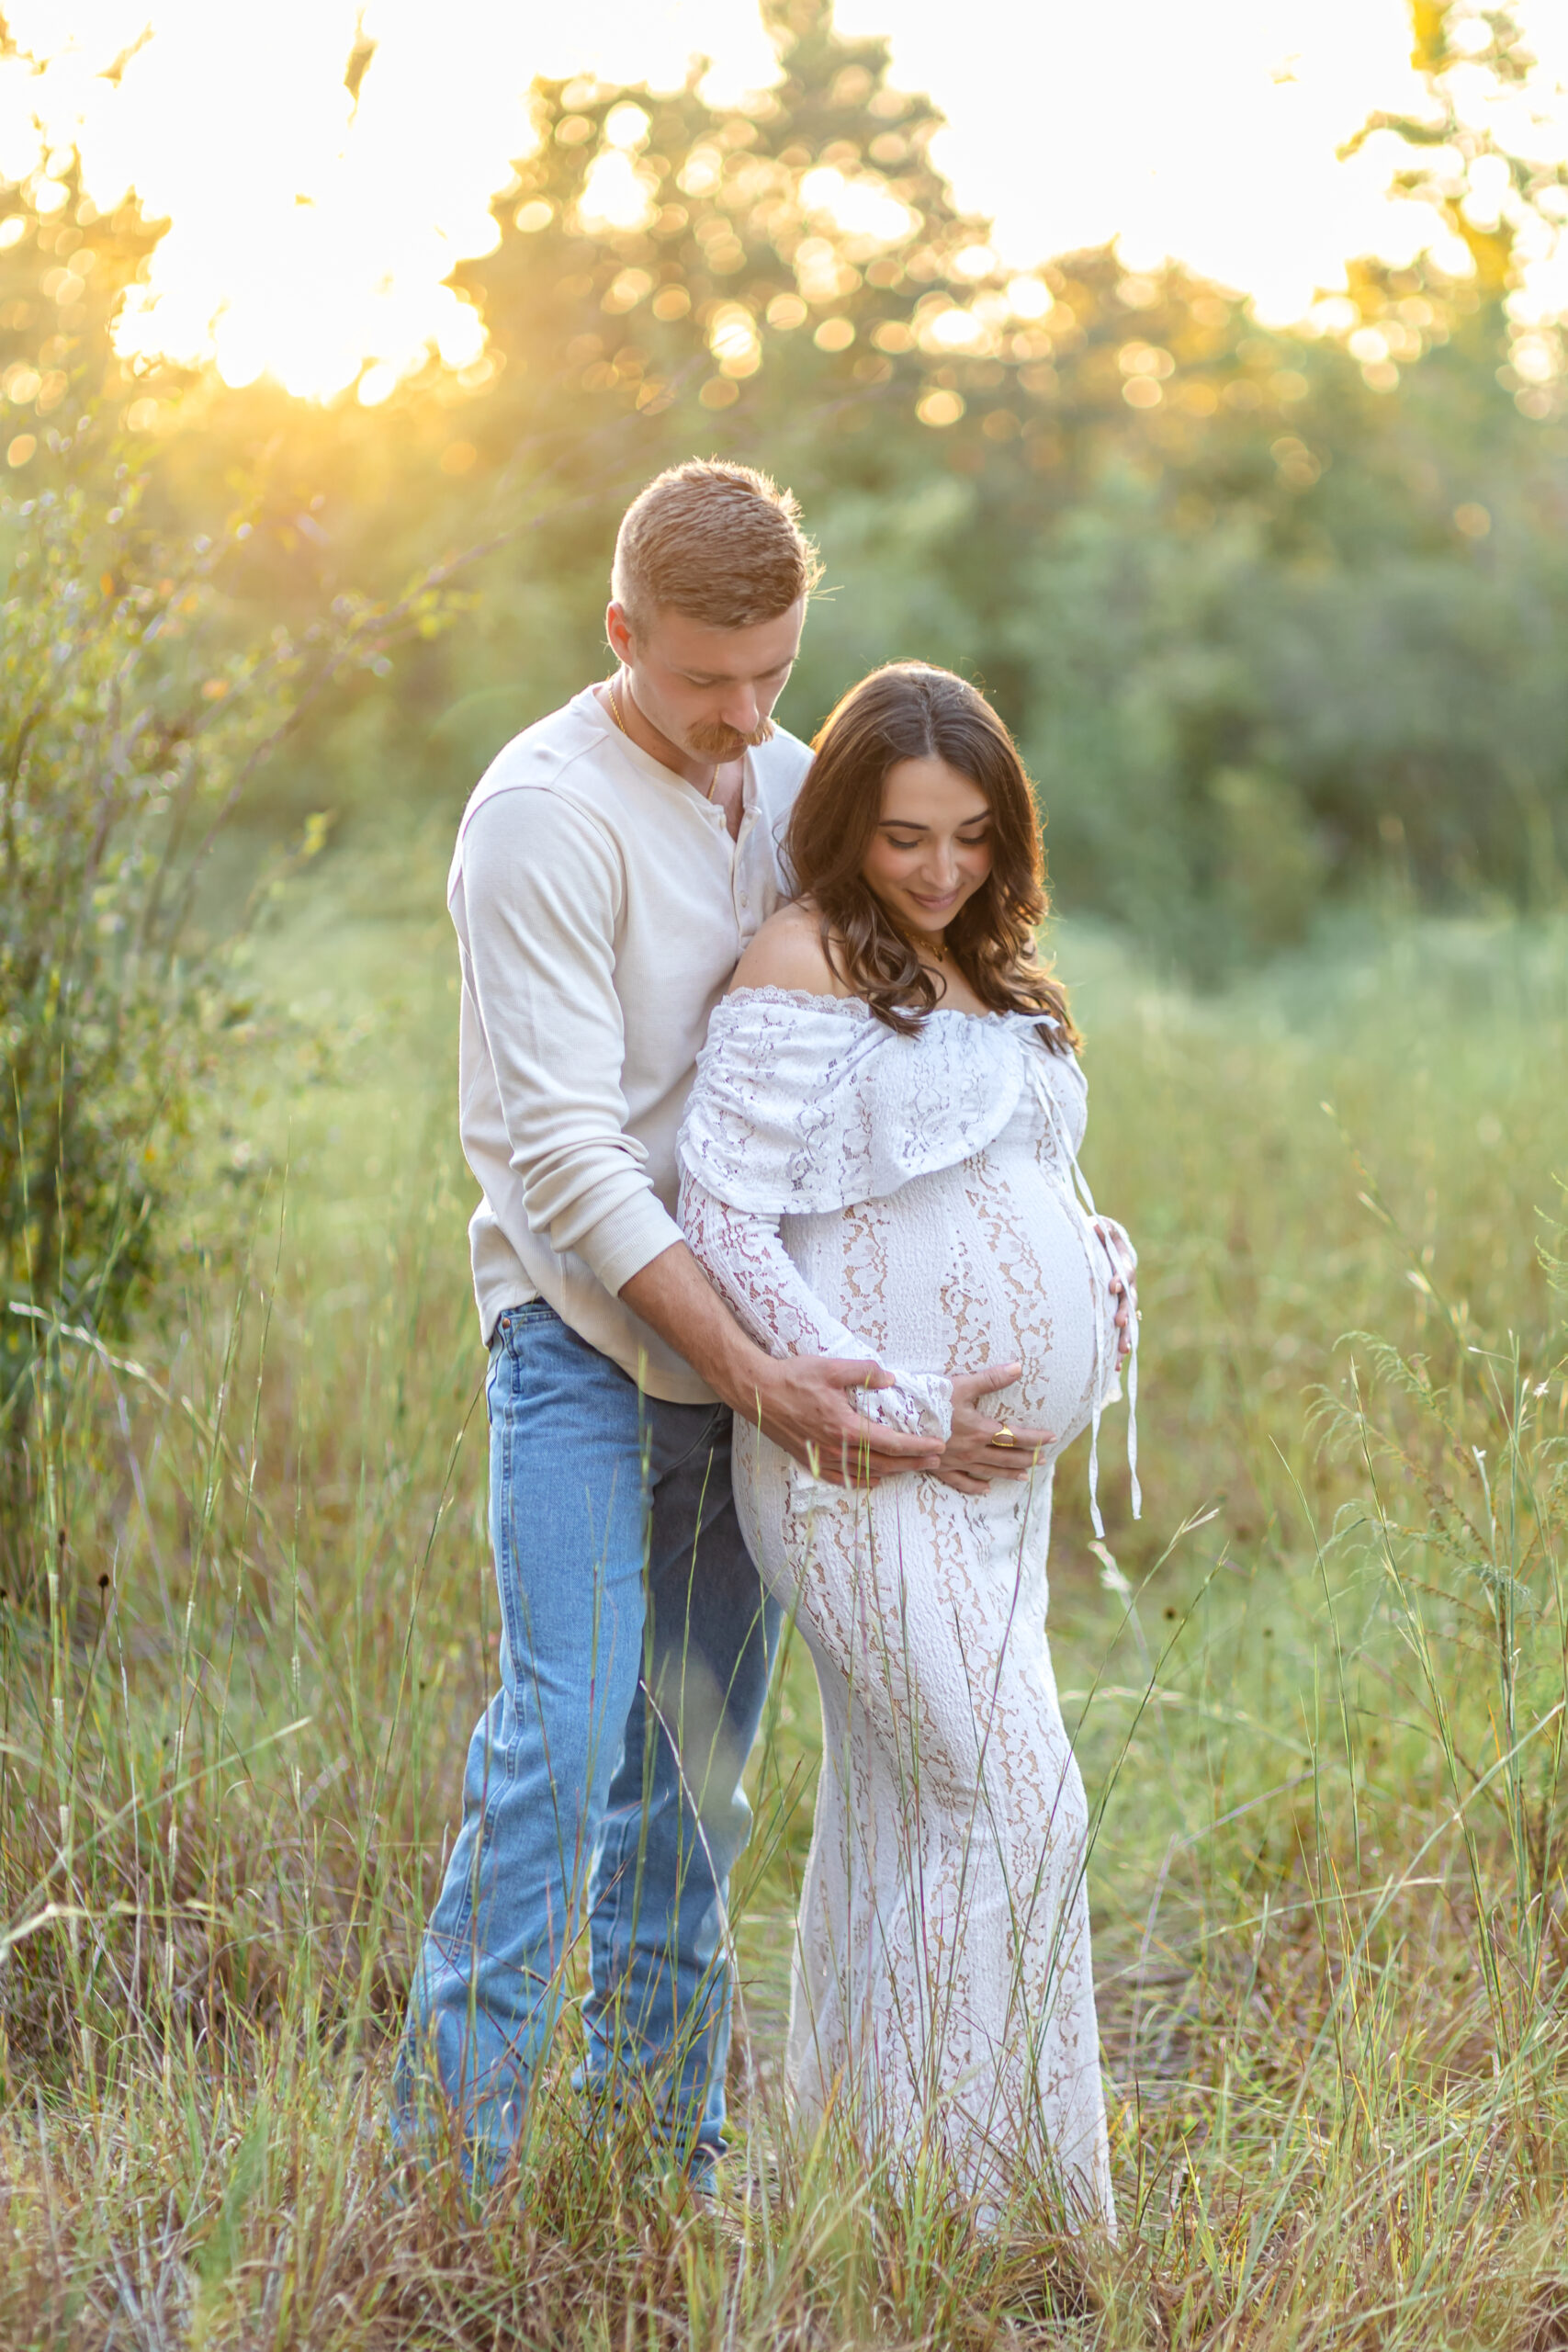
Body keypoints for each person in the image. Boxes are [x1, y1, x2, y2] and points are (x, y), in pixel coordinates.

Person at [395, 467, 1039, 2180]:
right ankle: (443, 2175)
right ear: (622, 635)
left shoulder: (777, 773)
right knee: (565, 1734)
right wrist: (755, 1371)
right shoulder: (542, 816)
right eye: (706, 680)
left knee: (696, 1785)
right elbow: (567, 1160)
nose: (748, 716)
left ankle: (661, 2164)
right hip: (589, 1352)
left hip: (757, 1360)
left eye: (774, 671)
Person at [677, 662, 1138, 2227]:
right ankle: (943, 2214)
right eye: (903, 840)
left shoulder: (988, 971)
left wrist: (1092, 1263)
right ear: (845, 833)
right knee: (1016, 1802)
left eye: (970, 838)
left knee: (912, 1809)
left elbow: (989, 1176)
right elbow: (724, 1216)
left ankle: (882, 2206)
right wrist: (886, 1403)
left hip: (993, 1490)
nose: (940, 872)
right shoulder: (801, 956)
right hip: (863, 1468)